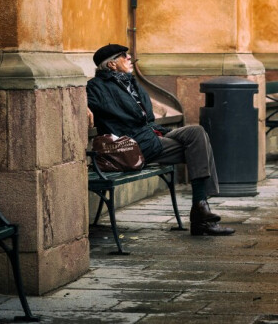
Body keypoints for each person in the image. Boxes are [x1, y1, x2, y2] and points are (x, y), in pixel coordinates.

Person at [86, 43, 235, 236]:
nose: (129, 58)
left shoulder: (131, 83)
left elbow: (147, 118)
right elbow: (111, 110)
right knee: (199, 150)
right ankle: (201, 214)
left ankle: (201, 209)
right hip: (132, 146)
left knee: (196, 133)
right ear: (112, 65)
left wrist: (162, 131)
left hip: (151, 135)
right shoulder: (97, 87)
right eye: (124, 55)